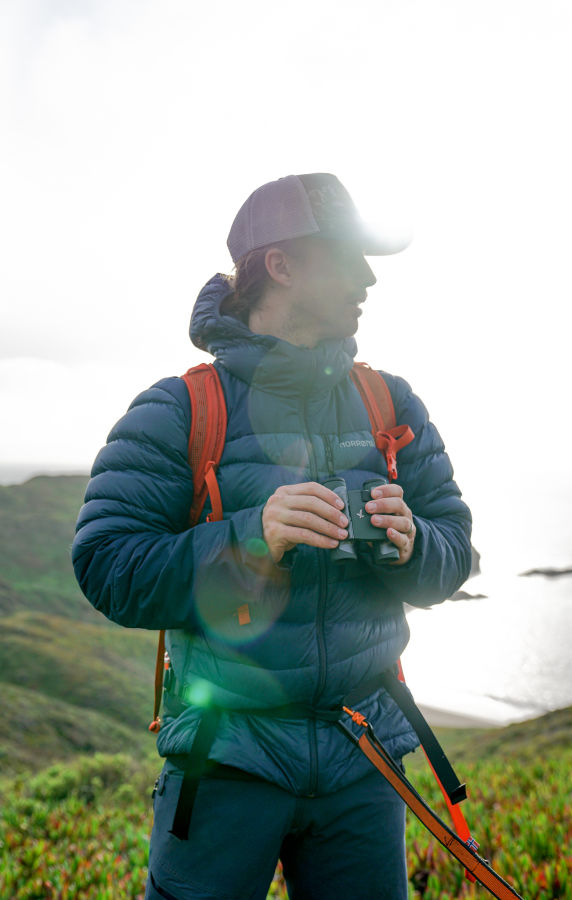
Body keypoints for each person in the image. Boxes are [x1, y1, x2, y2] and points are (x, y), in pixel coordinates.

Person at [72, 173, 472, 900]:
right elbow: (108, 568)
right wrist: (249, 537)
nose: (369, 276)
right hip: (227, 763)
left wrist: (417, 544)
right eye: (348, 254)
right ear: (281, 266)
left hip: (366, 756)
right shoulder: (178, 409)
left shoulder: (392, 400)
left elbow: (456, 551)